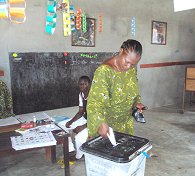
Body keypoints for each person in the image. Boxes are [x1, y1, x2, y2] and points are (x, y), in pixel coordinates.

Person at [87, 39, 145, 138]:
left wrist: (137, 103)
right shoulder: (104, 71)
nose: (128, 66)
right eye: (127, 62)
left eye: (133, 64)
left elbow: (132, 90)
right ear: (121, 51)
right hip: (108, 127)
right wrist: (99, 122)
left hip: (125, 123)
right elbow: (95, 102)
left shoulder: (131, 70)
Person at [66, 76, 91, 160]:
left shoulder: (94, 96)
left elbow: (98, 117)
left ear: (89, 84)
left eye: (84, 84)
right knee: (64, 127)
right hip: (86, 118)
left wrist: (83, 126)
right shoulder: (81, 94)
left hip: (95, 122)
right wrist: (71, 121)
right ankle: (71, 149)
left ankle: (79, 156)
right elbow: (81, 111)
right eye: (80, 84)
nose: (82, 86)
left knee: (78, 138)